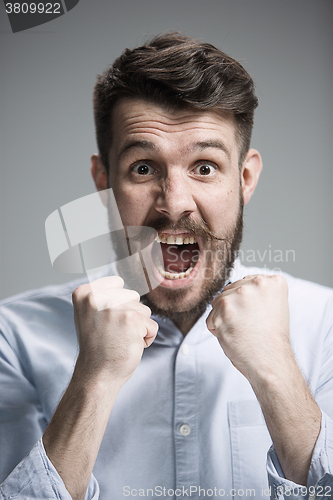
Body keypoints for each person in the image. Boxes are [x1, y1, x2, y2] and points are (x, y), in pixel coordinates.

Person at [0, 32, 332, 500]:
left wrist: (278, 373)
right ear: (103, 182)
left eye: (204, 167)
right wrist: (92, 381)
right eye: (143, 168)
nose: (174, 205)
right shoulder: (12, 337)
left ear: (245, 179)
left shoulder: (325, 328)